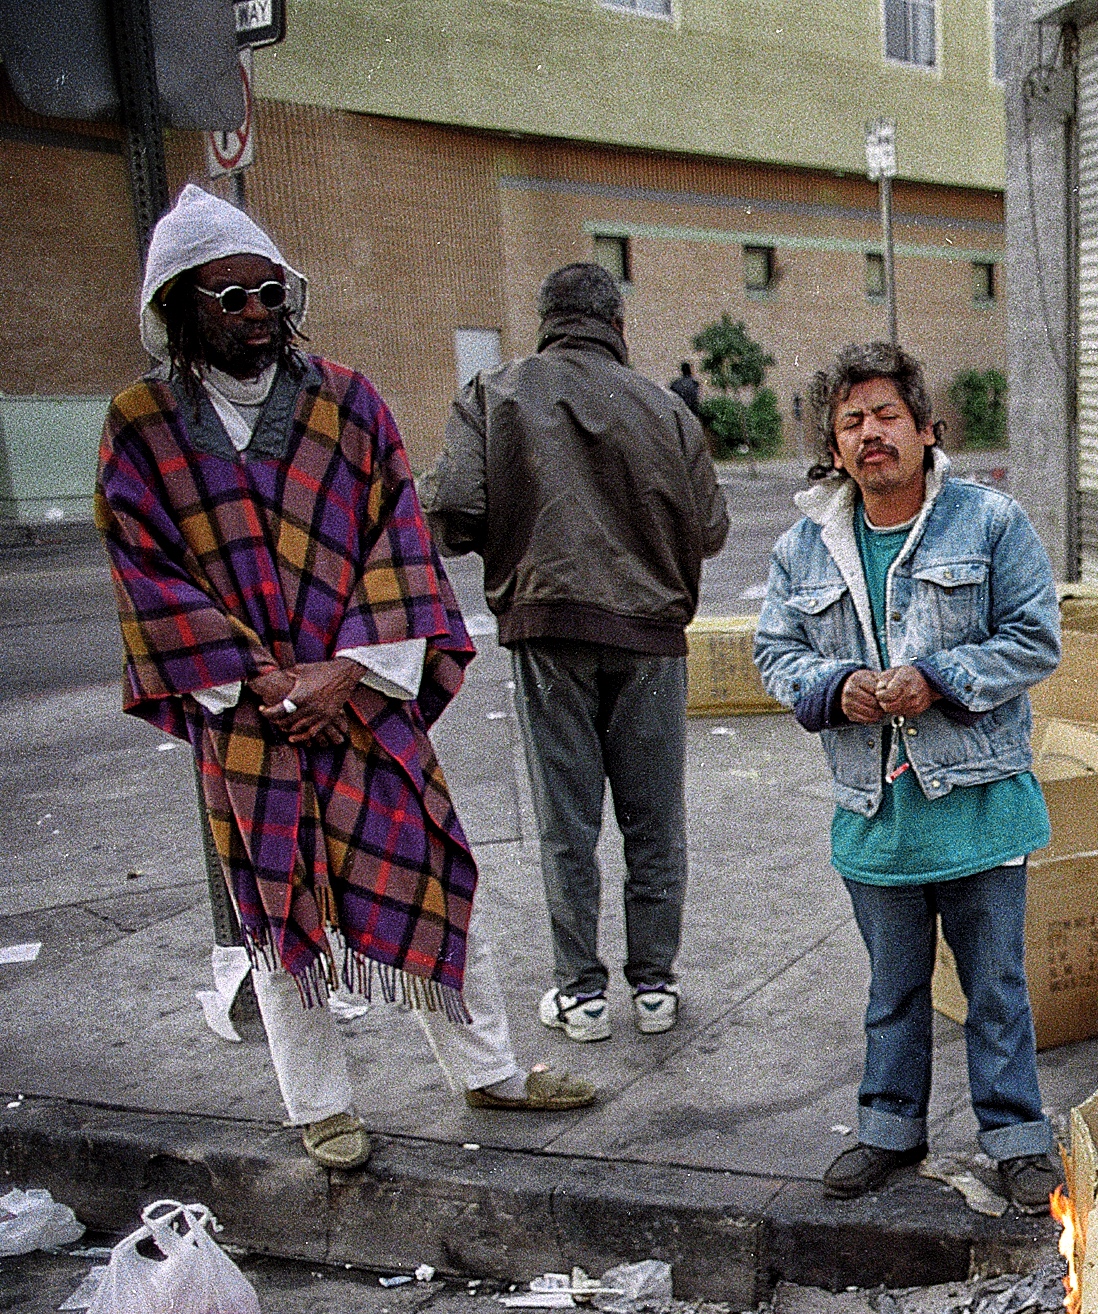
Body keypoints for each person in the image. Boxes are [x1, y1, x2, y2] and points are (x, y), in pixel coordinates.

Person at [101, 184, 592, 1170]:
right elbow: (143, 569)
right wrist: (258, 683)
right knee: (275, 903)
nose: (252, 315)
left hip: (362, 702)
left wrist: (347, 675)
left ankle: (487, 1070)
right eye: (227, 297)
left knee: (436, 874)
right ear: (179, 309)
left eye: (266, 293)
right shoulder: (142, 425)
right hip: (246, 716)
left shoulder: (347, 403)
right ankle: (317, 1102)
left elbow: (396, 544)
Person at [752, 342, 1062, 1215]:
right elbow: (774, 653)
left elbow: (1035, 639)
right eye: (851, 422)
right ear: (835, 446)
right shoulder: (802, 548)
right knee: (892, 988)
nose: (870, 433)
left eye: (887, 415)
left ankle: (1016, 1139)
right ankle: (889, 1131)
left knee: (996, 987)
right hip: (874, 814)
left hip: (981, 804)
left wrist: (941, 677)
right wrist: (832, 687)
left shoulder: (991, 523)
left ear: (928, 430)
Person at [427, 264, 729, 1043]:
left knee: (568, 824)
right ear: (617, 321)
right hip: (652, 638)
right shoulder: (667, 409)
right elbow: (712, 529)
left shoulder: (493, 394)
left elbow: (453, 510)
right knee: (655, 819)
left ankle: (582, 994)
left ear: (545, 319)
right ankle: (655, 988)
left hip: (548, 629)